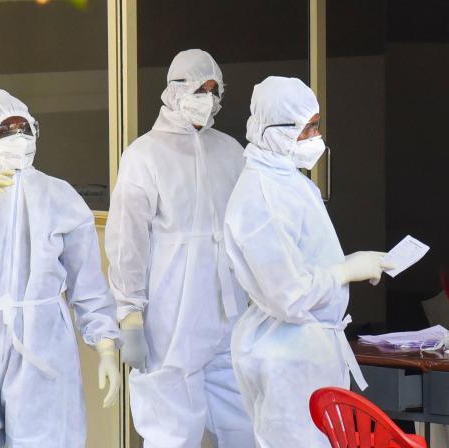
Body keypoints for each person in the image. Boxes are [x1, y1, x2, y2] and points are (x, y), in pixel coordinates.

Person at [0, 88, 120, 448]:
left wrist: (106, 345)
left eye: (25, 129)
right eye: (7, 129)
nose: (19, 137)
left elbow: (88, 285)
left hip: (41, 346)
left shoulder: (60, 197)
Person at [224, 76, 393, 447]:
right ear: (274, 130)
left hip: (306, 349)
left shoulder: (289, 181)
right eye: (308, 128)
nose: (316, 136)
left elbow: (304, 262)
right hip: (286, 356)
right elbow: (288, 293)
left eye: (317, 125)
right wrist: (345, 270)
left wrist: (350, 266)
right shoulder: (261, 197)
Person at [105, 49, 253, 447]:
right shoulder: (145, 155)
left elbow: (249, 228)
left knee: (243, 422)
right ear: (173, 90)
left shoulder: (231, 152)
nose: (206, 98)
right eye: (197, 89)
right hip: (173, 314)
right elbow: (127, 239)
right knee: (172, 431)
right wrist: (129, 313)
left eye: (213, 89)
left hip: (229, 310)